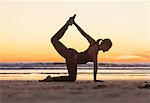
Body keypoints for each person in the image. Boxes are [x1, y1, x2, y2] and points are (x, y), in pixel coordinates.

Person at [39, 14, 112, 82]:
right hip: (71, 56)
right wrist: (95, 80)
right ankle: (51, 79)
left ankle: (68, 23)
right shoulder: (95, 50)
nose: (107, 50)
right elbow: (95, 66)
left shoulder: (93, 43)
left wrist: (74, 23)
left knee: (72, 78)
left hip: (73, 56)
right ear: (105, 44)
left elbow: (83, 33)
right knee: (54, 40)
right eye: (108, 48)